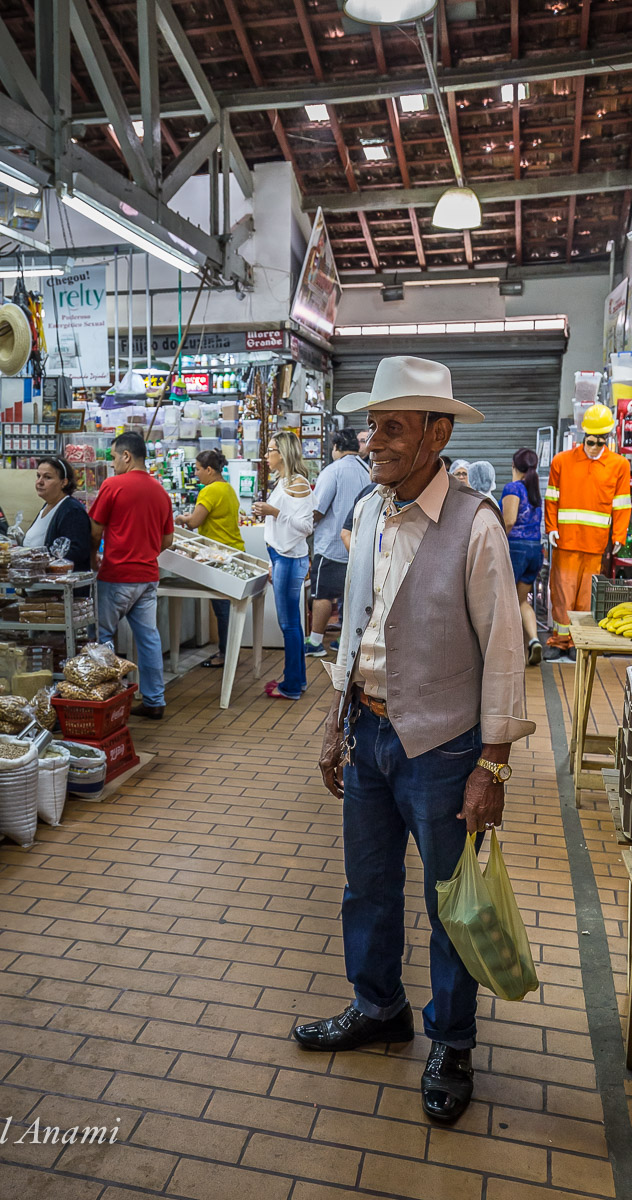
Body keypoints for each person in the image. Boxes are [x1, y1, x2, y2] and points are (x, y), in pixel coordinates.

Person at [296, 355, 534, 1126]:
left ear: (437, 433)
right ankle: (378, 1006)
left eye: (393, 426)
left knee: (447, 902)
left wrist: (492, 765)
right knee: (366, 887)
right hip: (369, 733)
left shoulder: (475, 524)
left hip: (444, 748)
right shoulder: (368, 510)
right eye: (373, 424)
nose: (375, 439)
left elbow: (504, 651)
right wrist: (336, 720)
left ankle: (452, 1040)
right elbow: (359, 623)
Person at [90, 432, 173, 719]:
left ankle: (108, 699)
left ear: (126, 456)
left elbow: (95, 529)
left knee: (102, 637)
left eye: (113, 457)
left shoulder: (113, 485)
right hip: (148, 577)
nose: (112, 464)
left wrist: (92, 556)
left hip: (116, 575)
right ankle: (154, 700)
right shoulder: (160, 491)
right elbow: (168, 539)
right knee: (149, 639)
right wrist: (146, 551)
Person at [544, 404, 632, 662]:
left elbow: (622, 504)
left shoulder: (618, 465)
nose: (594, 447)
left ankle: (578, 642)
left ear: (607, 439)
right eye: (590, 441)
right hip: (565, 542)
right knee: (562, 595)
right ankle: (560, 642)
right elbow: (552, 498)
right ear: (584, 437)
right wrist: (551, 528)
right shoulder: (562, 461)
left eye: (599, 442)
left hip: (595, 545)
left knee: (585, 600)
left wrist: (618, 536)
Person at [252, 431, 313, 700]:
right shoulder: (284, 481)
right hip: (281, 557)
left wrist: (273, 512)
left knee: (289, 624)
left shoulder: (298, 483)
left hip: (289, 558)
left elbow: (306, 526)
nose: (266, 456)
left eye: (271, 450)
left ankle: (290, 686)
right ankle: (295, 680)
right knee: (291, 624)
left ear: (283, 453)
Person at [175, 448, 243, 669]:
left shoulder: (209, 491)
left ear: (209, 470)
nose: (196, 474)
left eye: (197, 469)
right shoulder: (228, 489)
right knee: (228, 608)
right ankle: (229, 650)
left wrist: (181, 517)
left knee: (222, 608)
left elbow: (194, 522)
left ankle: (224, 654)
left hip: (217, 556)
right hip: (234, 551)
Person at [305, 429, 369, 657]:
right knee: (351, 596)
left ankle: (315, 642)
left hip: (331, 545)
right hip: (358, 546)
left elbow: (318, 509)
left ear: (337, 448)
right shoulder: (367, 470)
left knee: (323, 594)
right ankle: (345, 640)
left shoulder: (333, 471)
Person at [501, 448, 544, 666]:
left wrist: (498, 544)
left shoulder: (513, 488)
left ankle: (509, 651)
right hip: (535, 550)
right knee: (520, 601)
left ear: (514, 466)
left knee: (506, 601)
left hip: (515, 549)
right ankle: (534, 640)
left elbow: (508, 521)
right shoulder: (534, 489)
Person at [23, 457, 92, 572]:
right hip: (38, 586)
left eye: (47, 477)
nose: (40, 481)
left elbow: (77, 552)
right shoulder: (48, 506)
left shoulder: (72, 510)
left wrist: (43, 561)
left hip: (57, 587)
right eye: (38, 476)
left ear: (64, 482)